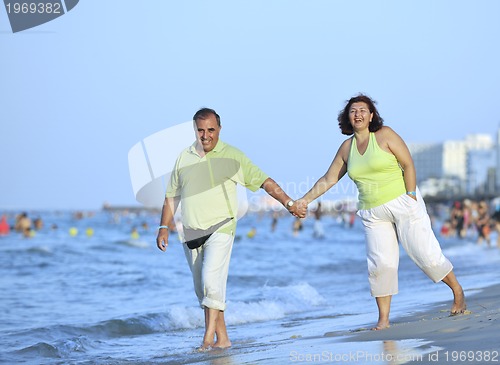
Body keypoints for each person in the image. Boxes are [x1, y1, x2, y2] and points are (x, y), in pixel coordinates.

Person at [296, 94, 466, 330]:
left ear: (371, 115)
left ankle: (457, 291)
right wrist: (304, 200)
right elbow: (329, 179)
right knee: (380, 265)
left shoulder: (385, 135)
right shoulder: (347, 148)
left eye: (363, 110)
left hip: (402, 202)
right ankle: (383, 319)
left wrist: (411, 196)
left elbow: (408, 164)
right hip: (372, 212)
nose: (358, 114)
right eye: (353, 111)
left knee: (425, 254)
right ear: (347, 117)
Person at [156, 107, 306, 350]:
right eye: (200, 130)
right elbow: (172, 196)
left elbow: (263, 181)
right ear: (194, 130)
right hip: (191, 232)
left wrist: (288, 202)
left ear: (220, 130)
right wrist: (164, 226)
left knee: (211, 282)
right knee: (203, 290)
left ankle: (206, 340)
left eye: (211, 130)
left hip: (222, 227)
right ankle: (223, 339)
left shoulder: (232, 156)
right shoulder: (183, 157)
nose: (205, 135)